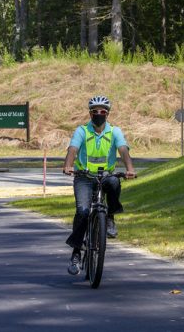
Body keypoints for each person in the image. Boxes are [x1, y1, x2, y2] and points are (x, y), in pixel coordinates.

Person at [63, 95, 136, 275]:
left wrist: (130, 169)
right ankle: (76, 253)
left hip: (105, 175)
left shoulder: (114, 132)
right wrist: (68, 165)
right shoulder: (82, 131)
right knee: (82, 211)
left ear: (108, 113)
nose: (98, 114)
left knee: (113, 182)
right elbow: (73, 149)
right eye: (95, 111)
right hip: (84, 177)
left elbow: (123, 150)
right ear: (90, 113)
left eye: (102, 111)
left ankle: (109, 217)